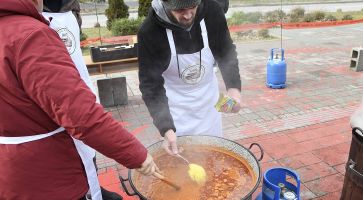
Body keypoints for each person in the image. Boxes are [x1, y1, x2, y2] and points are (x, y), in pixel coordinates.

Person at [0, 0, 161, 199]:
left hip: (11, 176)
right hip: (47, 176)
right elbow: (81, 115)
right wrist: (137, 155)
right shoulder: (29, 35)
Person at [41, 1, 123, 199]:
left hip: (81, 86)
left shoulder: (71, 6)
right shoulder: (31, 13)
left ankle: (92, 186)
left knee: (87, 147)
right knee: (64, 153)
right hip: (52, 97)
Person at [138, 0, 241, 155]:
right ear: (166, 5)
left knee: (213, 156)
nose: (187, 15)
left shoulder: (212, 11)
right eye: (180, 10)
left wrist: (234, 89)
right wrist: (166, 128)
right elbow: (150, 85)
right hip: (176, 112)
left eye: (192, 7)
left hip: (209, 104)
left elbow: (226, 50)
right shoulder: (150, 31)